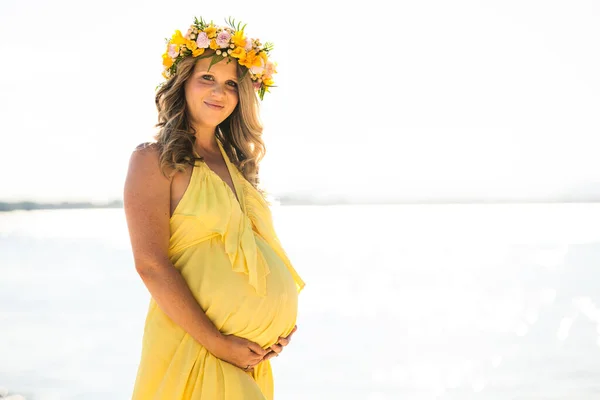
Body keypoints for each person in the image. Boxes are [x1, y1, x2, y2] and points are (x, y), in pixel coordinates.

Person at [123, 16, 305, 399]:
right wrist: (219, 342)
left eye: (230, 84)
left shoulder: (237, 163)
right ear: (182, 82)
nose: (219, 92)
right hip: (196, 348)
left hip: (248, 358)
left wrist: (273, 330)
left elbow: (255, 254)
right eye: (207, 78)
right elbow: (151, 264)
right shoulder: (153, 159)